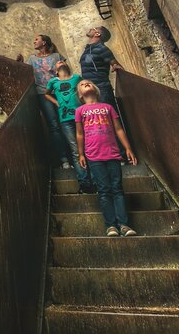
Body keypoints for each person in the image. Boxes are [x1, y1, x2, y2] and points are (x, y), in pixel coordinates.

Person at [74, 79, 138, 237]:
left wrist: (128, 149)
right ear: (80, 95)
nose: (86, 83)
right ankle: (111, 226)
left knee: (117, 188)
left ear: (96, 89)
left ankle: (124, 225)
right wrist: (81, 153)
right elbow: (80, 134)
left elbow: (118, 129)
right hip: (93, 155)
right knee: (104, 190)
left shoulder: (107, 107)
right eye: (82, 84)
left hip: (112, 153)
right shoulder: (80, 111)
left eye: (88, 82)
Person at [45, 62, 93, 192]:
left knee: (89, 147)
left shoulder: (77, 78)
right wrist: (56, 102)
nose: (61, 62)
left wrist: (86, 103)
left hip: (82, 116)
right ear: (55, 70)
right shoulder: (53, 81)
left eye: (63, 61)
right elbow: (46, 94)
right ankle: (85, 183)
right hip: (65, 120)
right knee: (75, 150)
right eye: (58, 62)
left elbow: (86, 89)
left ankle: (95, 180)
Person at [24, 34, 68, 168]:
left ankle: (75, 155)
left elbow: (65, 72)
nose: (34, 41)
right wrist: (19, 62)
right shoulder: (31, 59)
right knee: (53, 125)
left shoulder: (56, 56)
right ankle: (63, 159)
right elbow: (24, 73)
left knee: (66, 122)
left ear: (44, 42)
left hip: (59, 92)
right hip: (42, 94)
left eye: (37, 39)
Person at [79, 25, 124, 113]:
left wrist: (115, 66)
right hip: (91, 91)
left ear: (97, 34)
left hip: (102, 90)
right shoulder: (88, 49)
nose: (91, 28)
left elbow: (117, 65)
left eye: (94, 28)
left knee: (109, 116)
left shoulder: (102, 48)